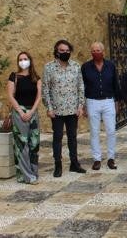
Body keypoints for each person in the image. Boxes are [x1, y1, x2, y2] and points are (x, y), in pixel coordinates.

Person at [42, 39, 86, 177]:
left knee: (73, 137)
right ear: (56, 51)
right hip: (57, 110)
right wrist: (49, 108)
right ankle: (58, 165)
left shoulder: (75, 66)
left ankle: (74, 163)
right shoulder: (49, 67)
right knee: (58, 137)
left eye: (67, 51)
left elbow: (80, 86)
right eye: (62, 50)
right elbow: (45, 89)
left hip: (73, 109)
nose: (65, 53)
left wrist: (80, 106)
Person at [81, 42, 121, 171]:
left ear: (103, 51)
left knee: (111, 131)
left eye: (98, 50)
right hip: (92, 101)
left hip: (109, 101)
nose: (95, 52)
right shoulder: (85, 67)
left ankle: (111, 158)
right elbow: (82, 87)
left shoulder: (111, 66)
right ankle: (97, 159)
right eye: (93, 50)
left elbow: (116, 84)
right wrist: (83, 105)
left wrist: (117, 103)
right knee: (94, 132)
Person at [7, 51, 42, 184]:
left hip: (33, 112)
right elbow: (10, 95)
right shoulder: (14, 76)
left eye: (25, 59)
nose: (23, 61)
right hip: (19, 112)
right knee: (22, 144)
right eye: (20, 59)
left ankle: (32, 172)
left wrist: (31, 111)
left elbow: (39, 97)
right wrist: (21, 112)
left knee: (34, 143)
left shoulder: (36, 78)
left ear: (30, 60)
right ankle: (27, 176)